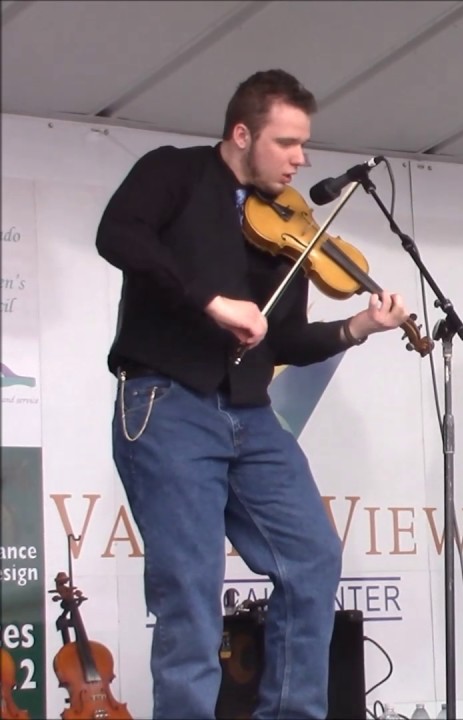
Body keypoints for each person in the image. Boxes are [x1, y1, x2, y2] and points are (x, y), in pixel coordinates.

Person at [96, 69, 411, 719]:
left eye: (304, 145)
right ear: (242, 134)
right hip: (167, 402)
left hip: (248, 413)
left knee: (314, 558)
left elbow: (285, 339)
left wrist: (359, 326)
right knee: (189, 590)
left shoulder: (285, 226)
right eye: (287, 143)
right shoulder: (174, 172)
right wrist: (210, 301)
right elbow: (119, 235)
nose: (301, 159)